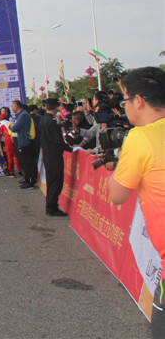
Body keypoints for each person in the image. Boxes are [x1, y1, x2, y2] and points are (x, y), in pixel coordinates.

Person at [106, 67, 165, 339]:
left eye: (125, 100)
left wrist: (117, 165)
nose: (125, 106)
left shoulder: (140, 138)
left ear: (138, 100)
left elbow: (117, 195)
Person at [39, 98, 72, 216]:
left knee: (51, 180)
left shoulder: (43, 119)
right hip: (54, 155)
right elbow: (57, 140)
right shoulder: (52, 121)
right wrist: (69, 148)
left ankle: (51, 205)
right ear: (57, 107)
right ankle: (52, 207)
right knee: (56, 182)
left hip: (47, 153)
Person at [10, 100, 38, 189]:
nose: (12, 108)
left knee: (28, 163)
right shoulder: (19, 115)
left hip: (25, 141)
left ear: (16, 106)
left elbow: (14, 128)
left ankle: (30, 181)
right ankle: (27, 180)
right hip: (21, 141)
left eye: (12, 106)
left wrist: (11, 126)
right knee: (24, 163)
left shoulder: (23, 115)